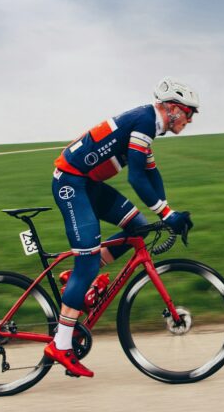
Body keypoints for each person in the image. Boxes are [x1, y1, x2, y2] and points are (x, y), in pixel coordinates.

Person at [44, 76, 198, 377]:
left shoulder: (148, 126)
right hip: (72, 183)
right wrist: (166, 214)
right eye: (190, 114)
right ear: (174, 109)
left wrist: (170, 210)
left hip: (87, 183)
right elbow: (136, 179)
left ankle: (79, 281)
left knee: (138, 229)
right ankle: (60, 345)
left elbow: (152, 174)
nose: (190, 120)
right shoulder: (144, 121)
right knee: (87, 262)